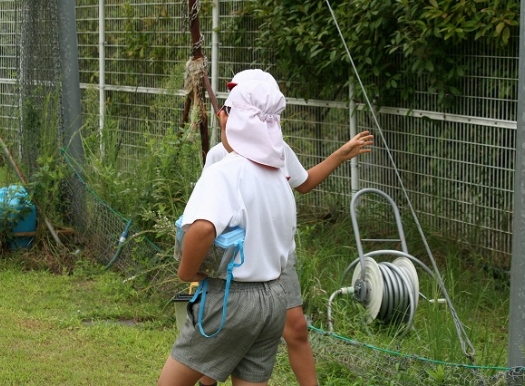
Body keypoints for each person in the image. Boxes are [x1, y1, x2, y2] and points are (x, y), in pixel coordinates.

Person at [198, 69, 374, 386]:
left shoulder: (277, 150)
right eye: (229, 104)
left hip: (277, 261)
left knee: (296, 328)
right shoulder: (218, 158)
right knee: (219, 339)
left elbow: (302, 183)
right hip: (236, 264)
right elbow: (205, 222)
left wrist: (340, 155)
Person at [158, 77, 297, 386]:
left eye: (225, 109)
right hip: (274, 298)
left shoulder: (226, 171)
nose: (221, 114)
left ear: (232, 118)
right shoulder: (277, 176)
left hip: (232, 300)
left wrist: (187, 273)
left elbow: (203, 228)